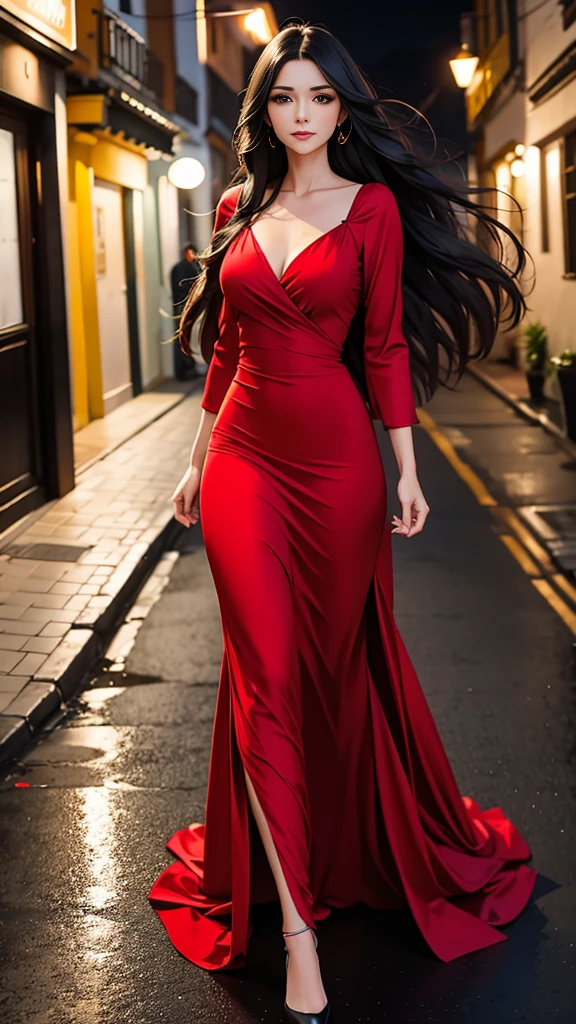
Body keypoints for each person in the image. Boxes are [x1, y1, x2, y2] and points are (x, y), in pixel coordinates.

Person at [150, 20, 536, 1023]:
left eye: (322, 98)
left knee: (337, 666)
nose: (306, 115)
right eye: (286, 98)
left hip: (339, 468)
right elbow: (227, 351)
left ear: (341, 108)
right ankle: (295, 931)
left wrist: (407, 468)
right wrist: (193, 467)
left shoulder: (369, 211)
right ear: (263, 110)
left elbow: (386, 347)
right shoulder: (239, 205)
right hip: (241, 459)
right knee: (267, 678)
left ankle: (362, 841)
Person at [170, 242, 202, 380]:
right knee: (181, 338)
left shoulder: (190, 267)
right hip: (182, 307)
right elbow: (183, 288)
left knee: (186, 338)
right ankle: (183, 371)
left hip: (187, 307)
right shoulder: (181, 268)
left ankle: (189, 368)